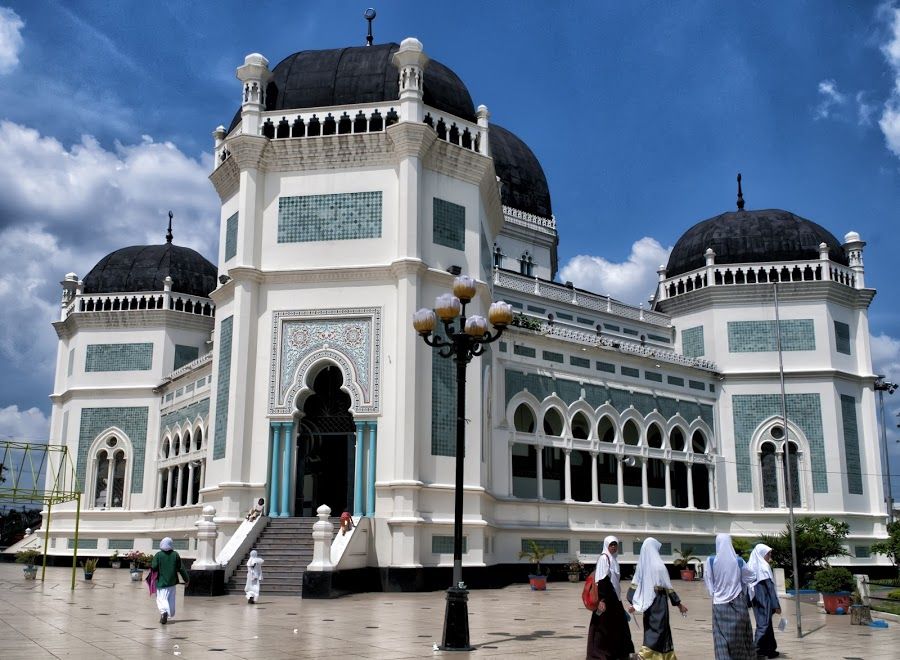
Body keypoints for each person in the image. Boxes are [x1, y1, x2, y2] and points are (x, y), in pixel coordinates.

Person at [627, 538, 688, 660]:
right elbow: (668, 587)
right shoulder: (660, 566)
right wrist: (679, 604)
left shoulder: (641, 566)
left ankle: (653, 655)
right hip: (659, 602)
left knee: (652, 627)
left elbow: (634, 586)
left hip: (648, 603)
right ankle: (649, 655)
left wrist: (634, 603)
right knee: (661, 628)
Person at [704, 533, 754, 660]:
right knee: (740, 638)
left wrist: (716, 594)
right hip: (738, 603)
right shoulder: (739, 561)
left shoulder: (710, 561)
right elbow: (750, 577)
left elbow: (709, 581)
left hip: (719, 605)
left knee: (721, 638)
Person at [586, 535, 636, 660]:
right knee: (601, 629)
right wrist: (602, 600)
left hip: (615, 599)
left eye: (615, 545)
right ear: (606, 545)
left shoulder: (614, 559)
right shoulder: (604, 558)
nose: (614, 547)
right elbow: (602, 580)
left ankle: (620, 653)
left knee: (619, 628)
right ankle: (598, 654)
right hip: (606, 600)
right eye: (611, 545)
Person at [747, 543, 781, 659]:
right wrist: (776, 605)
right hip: (764, 600)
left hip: (756, 599)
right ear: (761, 554)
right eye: (768, 554)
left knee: (768, 625)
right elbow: (770, 588)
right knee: (763, 625)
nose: (770, 556)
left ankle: (769, 649)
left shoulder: (751, 566)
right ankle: (754, 650)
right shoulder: (764, 567)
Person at [151, 537, 190, 625]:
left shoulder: (158, 555)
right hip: (172, 582)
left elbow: (154, 567)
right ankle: (171, 613)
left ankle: (164, 612)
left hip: (161, 582)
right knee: (171, 599)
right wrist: (186, 579)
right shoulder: (175, 554)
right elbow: (181, 568)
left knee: (161, 599)